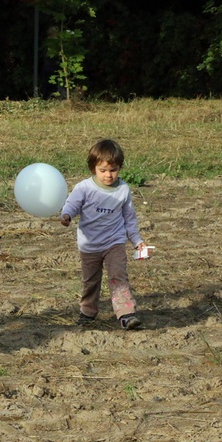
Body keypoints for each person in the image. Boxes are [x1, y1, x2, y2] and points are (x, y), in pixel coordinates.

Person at [60, 139, 147, 330]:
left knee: (118, 276)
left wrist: (136, 241)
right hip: (89, 245)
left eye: (113, 170)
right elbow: (72, 204)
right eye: (103, 170)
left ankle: (126, 314)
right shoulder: (84, 188)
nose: (109, 175)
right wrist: (66, 215)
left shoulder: (123, 190)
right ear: (93, 168)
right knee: (90, 281)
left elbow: (129, 218)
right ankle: (87, 313)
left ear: (120, 167)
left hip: (114, 243)